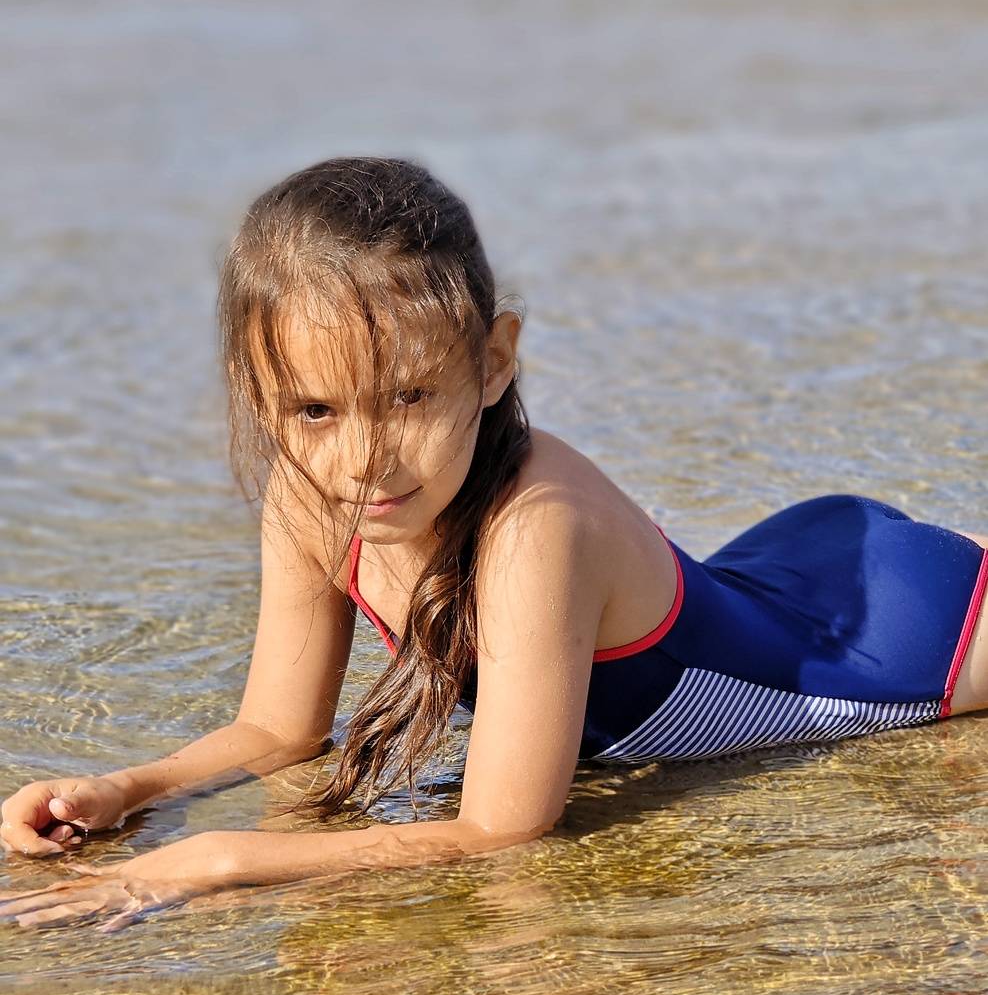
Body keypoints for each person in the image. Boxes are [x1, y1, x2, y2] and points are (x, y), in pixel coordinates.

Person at [1, 156, 986, 931]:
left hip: (905, 641)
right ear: (259, 397)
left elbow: (503, 828)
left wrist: (221, 859)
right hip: (783, 577)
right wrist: (127, 790)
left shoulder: (535, 528)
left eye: (408, 396)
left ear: (493, 361)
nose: (365, 460)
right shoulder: (310, 500)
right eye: (314, 410)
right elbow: (278, 731)